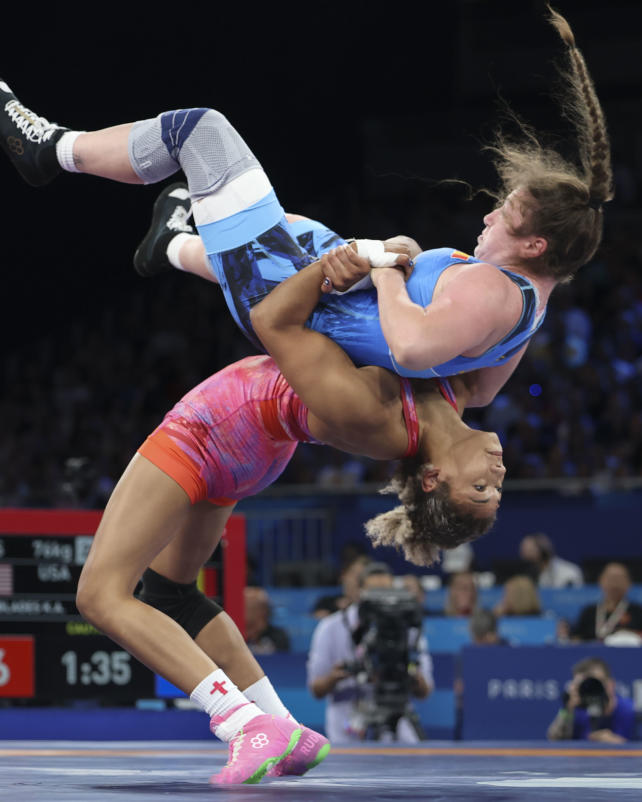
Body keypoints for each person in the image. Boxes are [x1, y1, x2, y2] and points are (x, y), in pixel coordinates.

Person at [0, 7, 611, 403]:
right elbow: (470, 394)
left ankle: (52, 149)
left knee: (199, 131)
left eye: (504, 216)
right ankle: (171, 243)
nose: (487, 216)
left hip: (289, 302)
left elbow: (417, 352)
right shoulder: (530, 309)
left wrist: (391, 273)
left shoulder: (496, 291)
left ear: (535, 246)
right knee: (301, 227)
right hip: (305, 302)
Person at [73, 233, 505, 783]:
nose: (498, 475)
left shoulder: (377, 416)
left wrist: (334, 268)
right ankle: (283, 728)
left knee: (99, 594)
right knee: (169, 592)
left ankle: (239, 723)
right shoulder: (458, 389)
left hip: (214, 427)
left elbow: (274, 322)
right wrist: (400, 260)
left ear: (434, 478)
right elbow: (499, 307)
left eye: (482, 491)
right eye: (497, 489)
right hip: (254, 448)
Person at [306, 562, 433, 743]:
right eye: (374, 592)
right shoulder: (330, 627)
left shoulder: (408, 628)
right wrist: (336, 676)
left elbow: (425, 690)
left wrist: (408, 673)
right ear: (359, 592)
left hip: (397, 715)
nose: (381, 599)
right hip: (348, 719)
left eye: (386, 591)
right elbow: (316, 689)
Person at [566, 563, 642, 644]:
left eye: (620, 579)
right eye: (611, 578)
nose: (615, 583)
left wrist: (636, 636)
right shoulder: (589, 611)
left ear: (629, 583)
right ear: (600, 581)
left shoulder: (639, 611)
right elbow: (574, 640)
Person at [546, 657, 635, 744]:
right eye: (585, 685)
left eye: (595, 684)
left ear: (611, 684)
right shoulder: (577, 711)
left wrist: (617, 745)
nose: (591, 690)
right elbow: (555, 741)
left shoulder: (632, 711)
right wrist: (567, 709)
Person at [244, 587, 290, 655]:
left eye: (251, 607)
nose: (244, 610)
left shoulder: (279, 636)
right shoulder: (236, 635)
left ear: (263, 610)